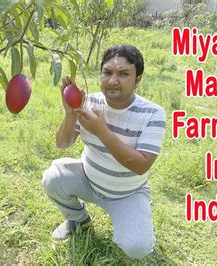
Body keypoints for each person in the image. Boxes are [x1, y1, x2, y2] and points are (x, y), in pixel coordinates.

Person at [42, 45, 166, 259]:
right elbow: (63, 144)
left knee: (138, 248)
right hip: (89, 179)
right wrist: (71, 114)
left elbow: (140, 165)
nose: (112, 80)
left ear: (138, 80)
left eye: (123, 74)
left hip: (127, 194)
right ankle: (79, 221)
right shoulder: (89, 101)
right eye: (107, 72)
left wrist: (101, 131)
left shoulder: (153, 114)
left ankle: (129, 223)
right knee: (52, 178)